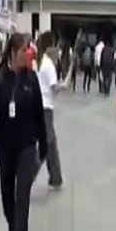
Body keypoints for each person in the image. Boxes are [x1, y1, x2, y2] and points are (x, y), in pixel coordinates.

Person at [0, 33, 47, 231]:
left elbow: (40, 114)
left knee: (23, 193)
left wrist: (44, 144)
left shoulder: (31, 79)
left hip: (27, 144)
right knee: (7, 191)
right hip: (5, 144)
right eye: (23, 51)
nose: (27, 55)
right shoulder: (0, 79)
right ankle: (12, 226)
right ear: (12, 52)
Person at [36, 31, 67, 189]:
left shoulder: (39, 61)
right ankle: (28, 175)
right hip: (46, 107)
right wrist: (64, 85)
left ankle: (56, 178)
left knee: (50, 143)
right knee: (48, 143)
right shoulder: (47, 64)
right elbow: (54, 88)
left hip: (40, 106)